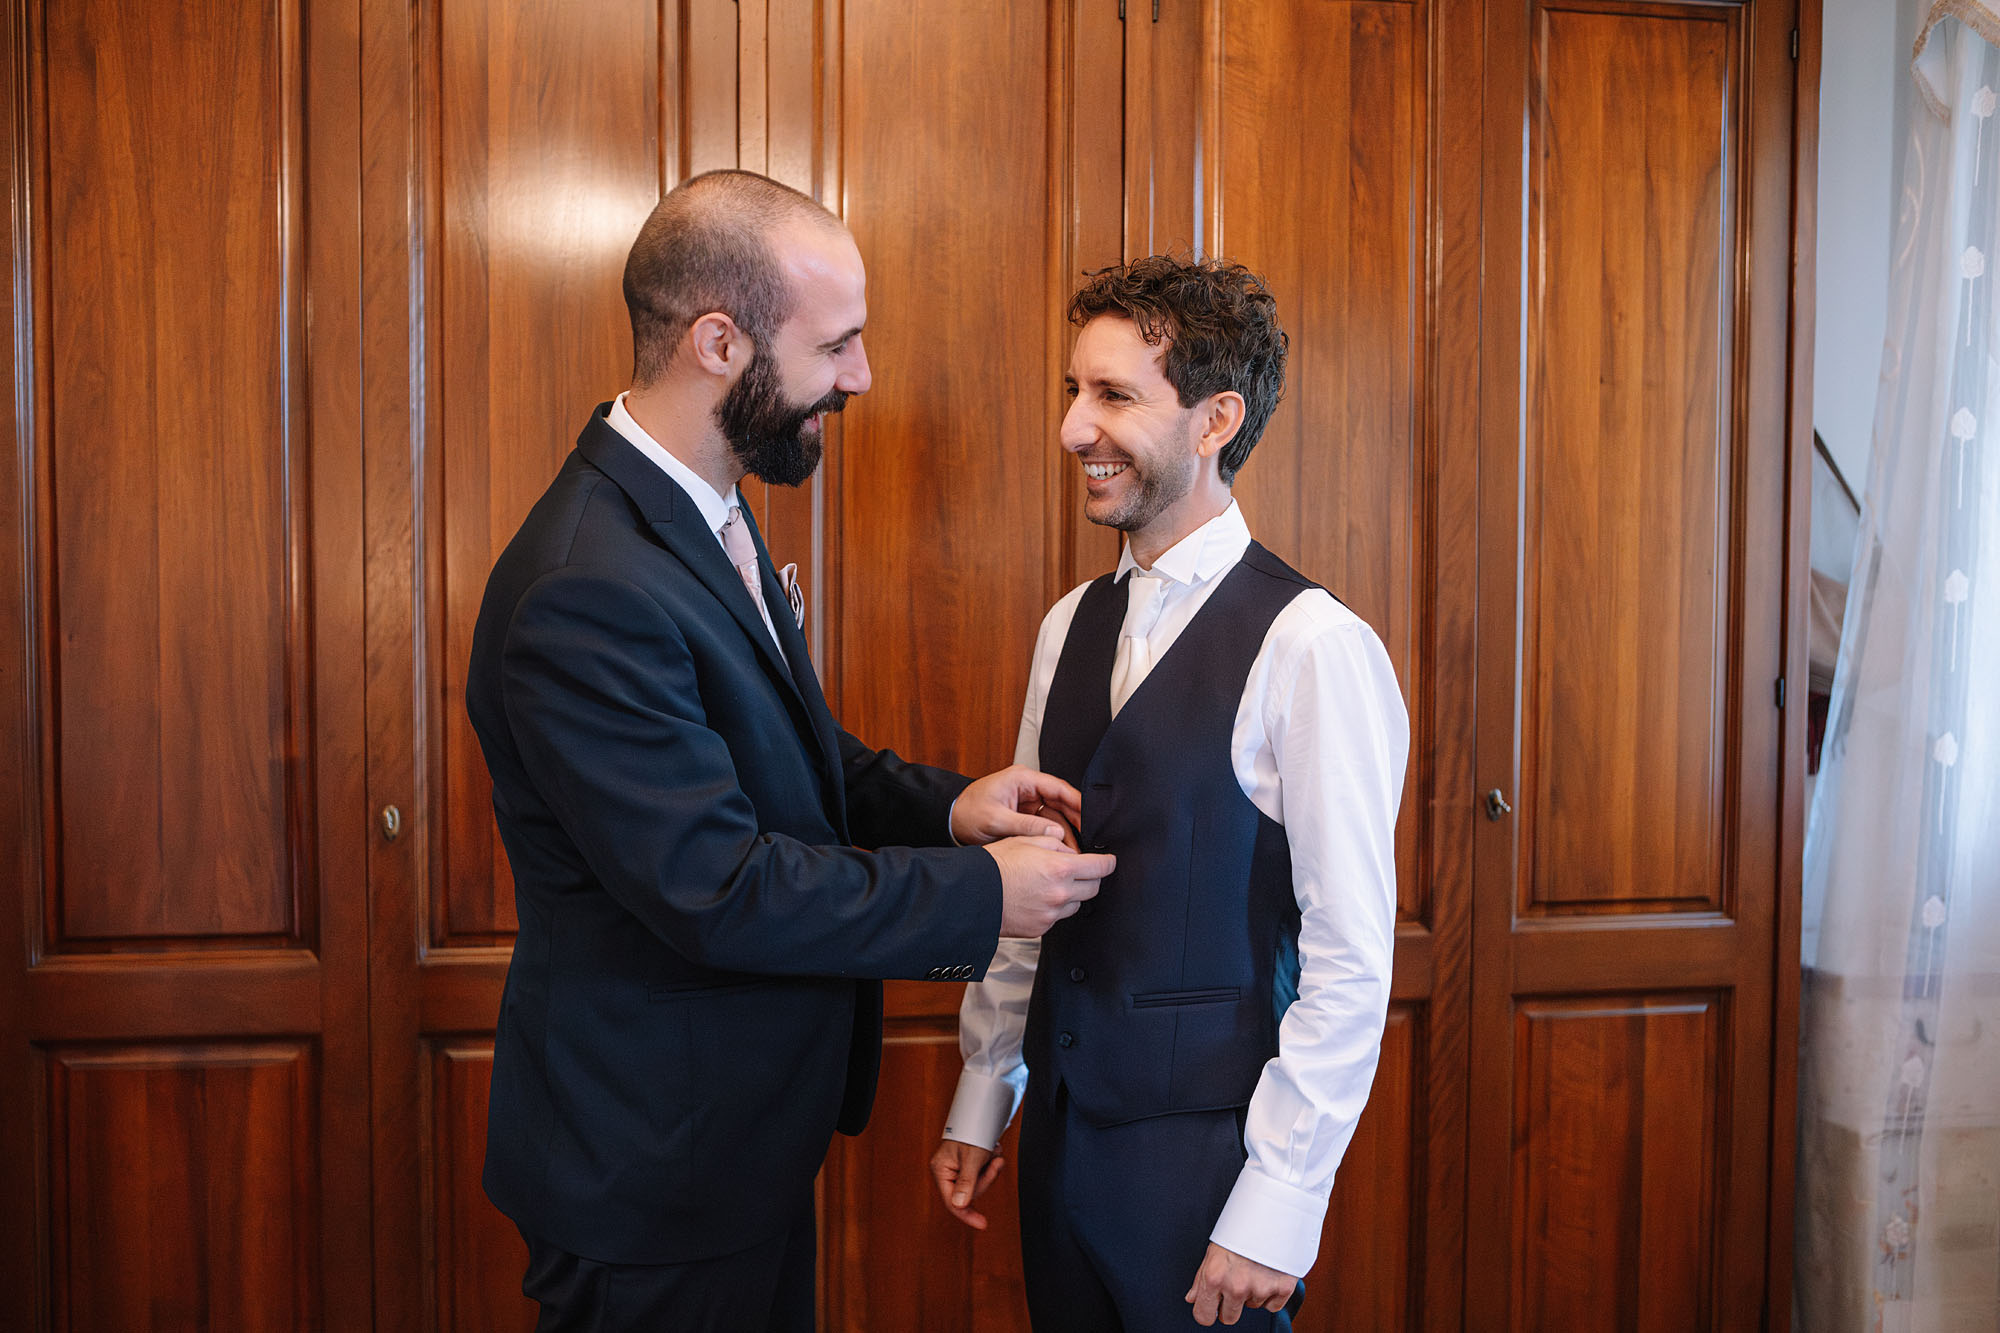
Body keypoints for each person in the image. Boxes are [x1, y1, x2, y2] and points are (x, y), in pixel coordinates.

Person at [465, 169, 1114, 1332]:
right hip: (650, 1170)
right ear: (720, 341)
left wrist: (949, 808)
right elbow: (717, 884)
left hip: (728, 1146)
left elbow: (784, 757)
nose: (860, 377)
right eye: (837, 345)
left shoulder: (703, 509)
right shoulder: (583, 588)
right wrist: (982, 895)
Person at [929, 256, 1408, 1330]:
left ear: (1212, 419)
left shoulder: (1313, 645)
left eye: (1111, 396)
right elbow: (1027, 894)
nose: (1071, 428)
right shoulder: (1066, 627)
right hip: (1055, 1151)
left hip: (1210, 1179)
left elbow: (1348, 956)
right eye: (1071, 391)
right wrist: (984, 1090)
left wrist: (1278, 1201)